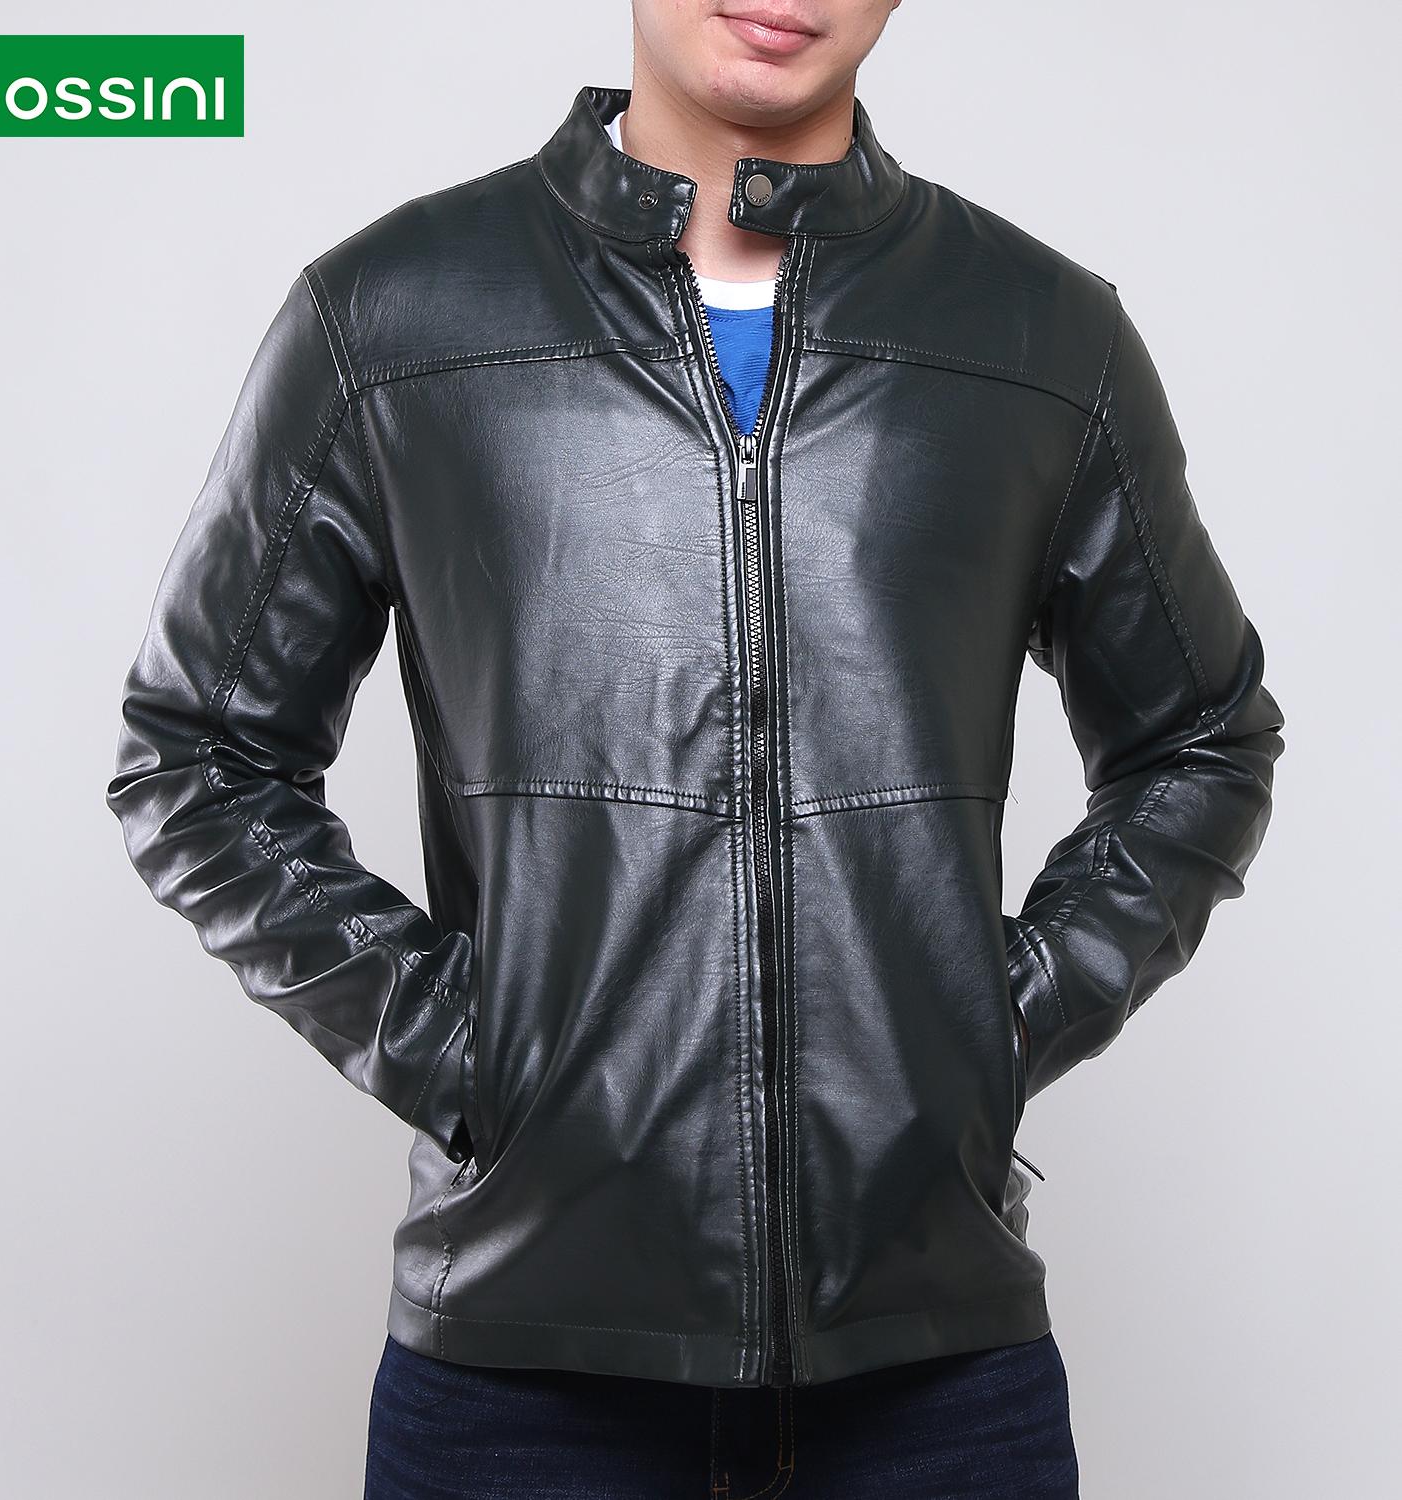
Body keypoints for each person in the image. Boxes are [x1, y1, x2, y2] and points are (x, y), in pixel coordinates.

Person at [105, 2, 1285, 1495]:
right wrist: (472, 1055)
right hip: (520, 1384)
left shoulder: (1045, 336)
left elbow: (1201, 741)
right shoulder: (390, 316)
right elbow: (198, 752)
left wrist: (984, 1036)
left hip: (936, 1387)